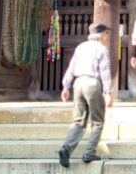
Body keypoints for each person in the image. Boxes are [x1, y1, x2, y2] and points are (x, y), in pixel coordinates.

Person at [57, 23, 113, 168]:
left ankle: (66, 149)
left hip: (78, 83)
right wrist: (108, 92)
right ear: (101, 35)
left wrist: (66, 86)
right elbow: (105, 72)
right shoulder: (102, 49)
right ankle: (89, 152)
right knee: (97, 121)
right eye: (107, 33)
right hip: (93, 84)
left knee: (78, 121)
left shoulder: (81, 47)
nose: (108, 36)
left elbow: (71, 67)